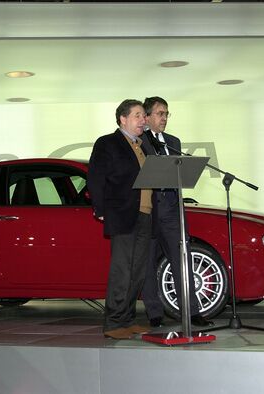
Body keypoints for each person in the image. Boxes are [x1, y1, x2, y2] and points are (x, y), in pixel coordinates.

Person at [140, 96, 213, 328]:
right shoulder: (138, 141)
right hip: (149, 210)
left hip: (171, 210)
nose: (164, 118)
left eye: (166, 114)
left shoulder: (173, 141)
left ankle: (191, 311)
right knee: (148, 263)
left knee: (182, 260)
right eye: (160, 113)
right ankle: (154, 312)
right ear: (147, 116)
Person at [87, 99, 153, 339]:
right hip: (122, 212)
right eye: (137, 115)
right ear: (122, 119)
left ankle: (128, 319)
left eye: (144, 116)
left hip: (145, 214)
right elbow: (95, 177)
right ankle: (114, 323)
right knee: (122, 270)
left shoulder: (143, 145)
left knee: (138, 271)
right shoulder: (108, 143)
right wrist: (100, 208)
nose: (143, 120)